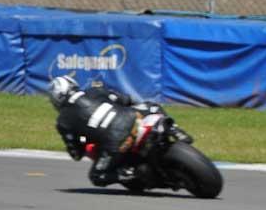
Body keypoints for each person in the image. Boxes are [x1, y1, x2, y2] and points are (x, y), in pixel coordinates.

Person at [48, 76, 189, 187]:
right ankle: (175, 130)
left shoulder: (63, 122)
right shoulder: (95, 90)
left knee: (97, 176)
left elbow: (76, 154)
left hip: (115, 144)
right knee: (152, 106)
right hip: (134, 119)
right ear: (73, 85)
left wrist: (84, 139)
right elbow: (126, 100)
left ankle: (132, 173)